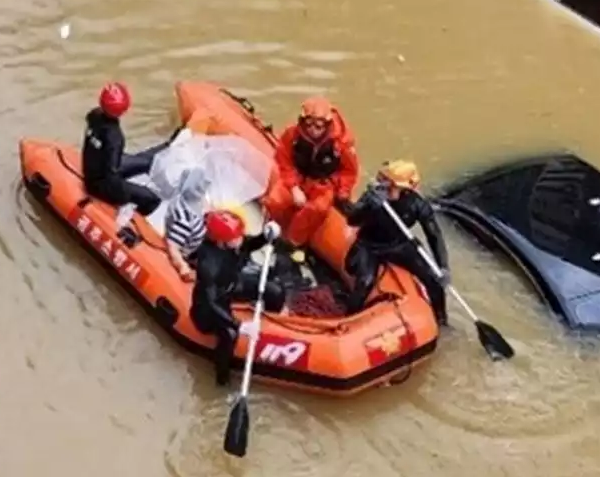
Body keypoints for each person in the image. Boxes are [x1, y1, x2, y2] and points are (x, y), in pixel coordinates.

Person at [343, 160, 450, 326]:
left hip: (399, 244)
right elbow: (352, 220)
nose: (386, 187)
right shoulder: (374, 196)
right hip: (370, 244)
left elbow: (434, 235)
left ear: (407, 189)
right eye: (386, 182)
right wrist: (369, 207)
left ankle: (442, 321)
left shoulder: (417, 205)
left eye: (392, 185)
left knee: (434, 280)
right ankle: (347, 321)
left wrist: (443, 267)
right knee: (365, 282)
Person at [189, 210, 287, 387]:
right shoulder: (209, 265)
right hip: (210, 305)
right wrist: (239, 326)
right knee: (229, 334)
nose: (241, 239)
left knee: (274, 291)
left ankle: (273, 323)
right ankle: (222, 379)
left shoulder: (232, 243)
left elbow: (249, 244)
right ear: (220, 241)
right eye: (236, 237)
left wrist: (266, 235)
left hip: (232, 284)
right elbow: (211, 302)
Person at [262, 96, 360, 246]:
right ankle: (272, 231)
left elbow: (349, 171)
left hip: (323, 184)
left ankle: (292, 243)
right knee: (275, 201)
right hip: (298, 177)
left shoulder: (341, 143)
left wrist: (342, 192)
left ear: (327, 125)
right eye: (308, 125)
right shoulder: (292, 135)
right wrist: (294, 187)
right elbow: (284, 161)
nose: (312, 130)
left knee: (316, 209)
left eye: (318, 126)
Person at [82, 81, 170, 239]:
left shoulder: (94, 115)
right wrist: (125, 198)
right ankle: (141, 226)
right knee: (151, 198)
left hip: (94, 167)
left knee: (144, 161)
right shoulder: (115, 137)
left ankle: (169, 145)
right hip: (100, 183)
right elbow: (112, 175)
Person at [165, 168, 210, 281]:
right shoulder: (184, 220)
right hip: (190, 250)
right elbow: (172, 246)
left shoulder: (186, 199)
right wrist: (182, 266)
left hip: (200, 235)